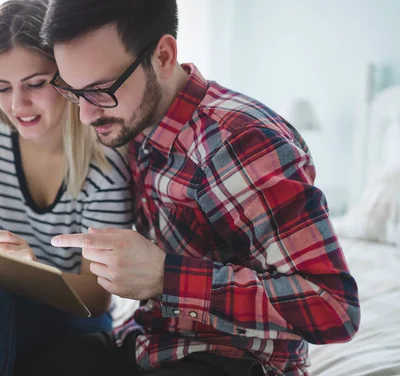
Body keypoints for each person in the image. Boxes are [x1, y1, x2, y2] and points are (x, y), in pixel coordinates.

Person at [20, 0, 362, 375]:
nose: (86, 115)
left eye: (101, 90)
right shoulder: (130, 124)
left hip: (236, 360)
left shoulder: (241, 142)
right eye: (73, 91)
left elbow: (334, 308)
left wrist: (164, 276)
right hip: (151, 342)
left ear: (164, 56)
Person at [0, 1, 133, 375]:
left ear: (67, 77)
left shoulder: (103, 159)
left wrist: (34, 271)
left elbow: (97, 298)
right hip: (7, 301)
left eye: (35, 85)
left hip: (77, 318)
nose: (18, 106)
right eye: (2, 88)